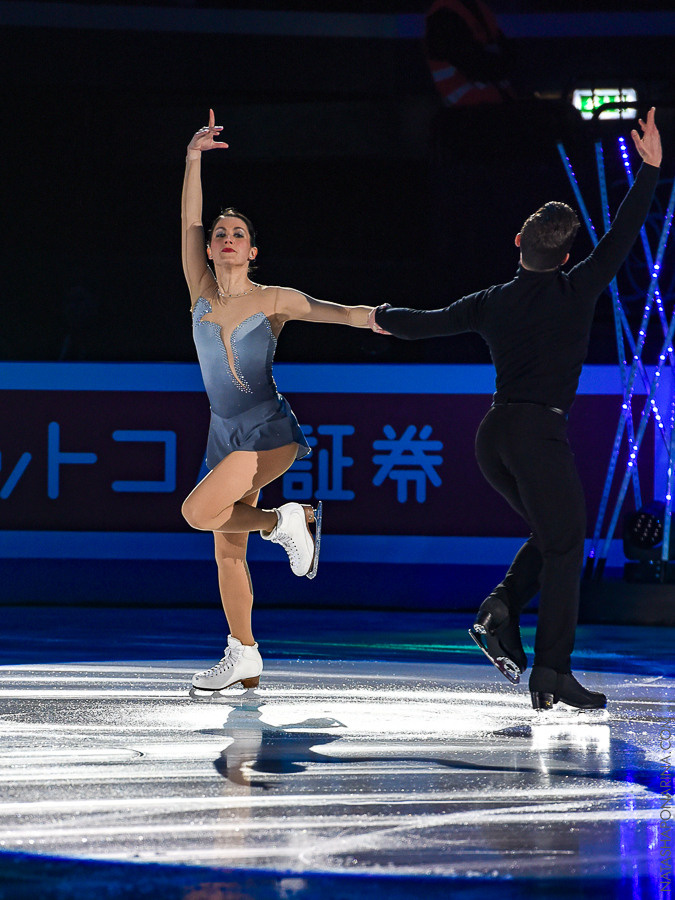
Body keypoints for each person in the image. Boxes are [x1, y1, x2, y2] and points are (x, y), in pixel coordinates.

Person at [369, 108, 662, 711]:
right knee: (566, 542)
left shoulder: (490, 302)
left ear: (518, 245)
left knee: (554, 537)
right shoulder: (578, 287)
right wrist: (651, 170)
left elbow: (424, 325)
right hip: (536, 432)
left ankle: (502, 611)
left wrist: (376, 317)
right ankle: (550, 670)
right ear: (563, 257)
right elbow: (623, 237)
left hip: (494, 436)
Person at [182, 110, 375, 694]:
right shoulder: (200, 292)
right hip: (223, 433)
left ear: (253, 250)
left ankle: (286, 518)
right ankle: (243, 652)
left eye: (237, 234)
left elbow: (337, 313)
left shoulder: (274, 299)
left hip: (267, 430)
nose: (226, 239)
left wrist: (385, 320)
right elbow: (188, 220)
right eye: (220, 235)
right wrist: (193, 158)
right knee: (224, 548)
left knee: (197, 513)